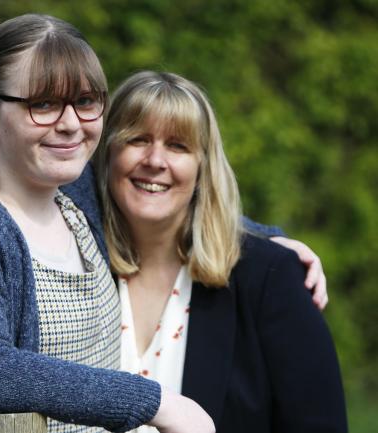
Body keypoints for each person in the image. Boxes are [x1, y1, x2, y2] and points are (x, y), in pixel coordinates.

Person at [0, 14, 330, 433]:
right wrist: (156, 403)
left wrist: (267, 240)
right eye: (43, 104)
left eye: (85, 101)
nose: (70, 124)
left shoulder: (75, 199)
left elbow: (163, 190)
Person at [92, 71, 346, 432]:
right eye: (137, 139)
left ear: (203, 167)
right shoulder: (75, 264)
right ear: (108, 152)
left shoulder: (270, 278)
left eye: (177, 146)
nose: (155, 160)